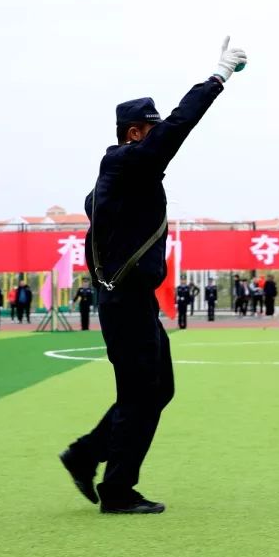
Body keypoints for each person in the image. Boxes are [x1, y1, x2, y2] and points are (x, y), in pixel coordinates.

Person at [60, 38, 247, 515]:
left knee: (156, 388)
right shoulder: (126, 162)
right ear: (135, 134)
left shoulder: (116, 181)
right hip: (124, 301)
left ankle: (86, 455)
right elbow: (181, 127)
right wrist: (218, 77)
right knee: (142, 393)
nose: (160, 137)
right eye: (153, 130)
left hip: (131, 301)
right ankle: (116, 490)